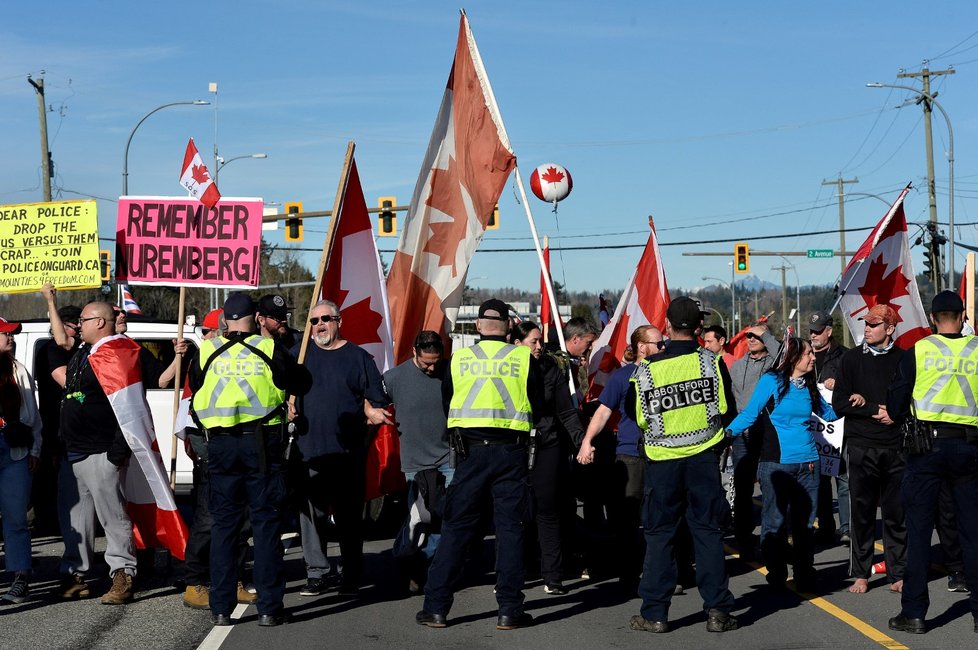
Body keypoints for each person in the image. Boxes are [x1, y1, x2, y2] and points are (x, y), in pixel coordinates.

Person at [417, 299, 541, 630]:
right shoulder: (523, 358)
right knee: (510, 531)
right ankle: (509, 610)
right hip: (511, 453)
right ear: (508, 326)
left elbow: (448, 402)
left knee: (456, 529)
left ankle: (436, 608)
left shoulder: (459, 360)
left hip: (470, 453)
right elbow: (538, 404)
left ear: (477, 326)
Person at [189, 292, 310, 627]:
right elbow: (302, 382)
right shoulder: (270, 350)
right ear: (256, 318)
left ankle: (221, 608)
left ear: (225, 319)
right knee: (266, 526)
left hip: (221, 447)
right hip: (262, 448)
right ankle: (270, 608)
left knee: (225, 528)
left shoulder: (207, 351)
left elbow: (195, 389)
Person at [627, 297, 738, 634]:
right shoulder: (711, 363)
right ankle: (717, 611)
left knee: (660, 537)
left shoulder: (646, 369)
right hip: (703, 459)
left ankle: (655, 613)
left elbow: (638, 417)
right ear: (699, 328)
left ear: (667, 325)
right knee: (707, 533)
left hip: (663, 463)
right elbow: (727, 410)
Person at [886, 291, 978, 634]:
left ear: (933, 317)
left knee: (920, 533)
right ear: (962, 314)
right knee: (972, 534)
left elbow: (895, 404)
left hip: (925, 450)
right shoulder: (977, 350)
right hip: (970, 450)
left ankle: (914, 613)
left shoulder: (919, 351)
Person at [290, 299, 391, 597]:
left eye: (325, 319)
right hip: (309, 451)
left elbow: (377, 398)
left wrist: (370, 408)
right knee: (311, 518)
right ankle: (317, 572)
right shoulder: (300, 356)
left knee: (348, 519)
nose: (319, 325)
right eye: (313, 321)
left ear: (339, 321)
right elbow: (280, 390)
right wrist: (288, 402)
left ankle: (351, 574)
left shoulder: (358, 358)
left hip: (348, 453)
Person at [727, 337, 839, 594]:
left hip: (809, 465)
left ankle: (804, 573)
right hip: (776, 465)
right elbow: (750, 413)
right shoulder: (772, 381)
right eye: (809, 354)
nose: (813, 357)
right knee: (774, 522)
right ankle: (776, 572)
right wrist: (727, 434)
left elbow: (830, 414)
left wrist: (852, 398)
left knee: (805, 525)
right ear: (793, 357)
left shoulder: (809, 385)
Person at [57, 301, 139, 605]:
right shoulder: (84, 353)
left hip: (102, 451)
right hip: (75, 451)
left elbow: (126, 404)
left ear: (100, 323)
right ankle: (75, 574)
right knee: (77, 521)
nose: (79, 325)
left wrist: (117, 452)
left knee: (113, 518)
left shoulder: (113, 354)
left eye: (84, 320)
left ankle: (122, 575)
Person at [577, 324, 664, 594]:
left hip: (663, 453)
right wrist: (587, 441)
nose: (664, 348)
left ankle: (658, 574)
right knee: (627, 520)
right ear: (642, 347)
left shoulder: (667, 374)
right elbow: (603, 412)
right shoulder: (622, 376)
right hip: (630, 455)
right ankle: (628, 574)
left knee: (659, 517)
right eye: (658, 344)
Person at [181, 308, 256, 610]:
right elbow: (193, 409)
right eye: (219, 331)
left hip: (238, 450)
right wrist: (203, 451)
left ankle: (233, 578)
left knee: (239, 521)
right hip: (213, 452)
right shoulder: (205, 359)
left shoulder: (242, 358)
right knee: (209, 520)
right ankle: (195, 582)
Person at [831, 304, 906, 594]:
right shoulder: (851, 359)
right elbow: (839, 403)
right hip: (862, 445)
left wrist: (895, 414)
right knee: (861, 513)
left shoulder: (903, 359)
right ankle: (861, 573)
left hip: (895, 446)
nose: (867, 329)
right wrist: (873, 408)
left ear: (889, 329)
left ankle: (897, 572)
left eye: (874, 325)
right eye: (866, 323)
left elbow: (912, 399)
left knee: (895, 513)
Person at [513, 320, 585, 596]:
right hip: (516, 445)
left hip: (547, 444)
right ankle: (513, 572)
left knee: (548, 509)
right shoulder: (507, 371)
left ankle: (553, 576)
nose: (539, 347)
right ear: (516, 344)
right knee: (516, 512)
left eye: (540, 341)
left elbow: (565, 411)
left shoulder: (551, 368)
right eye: (534, 341)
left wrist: (581, 441)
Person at [385, 330, 452, 593]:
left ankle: (428, 569)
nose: (432, 367)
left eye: (436, 361)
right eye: (426, 362)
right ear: (414, 352)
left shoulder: (449, 372)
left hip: (447, 459)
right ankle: (406, 557)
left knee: (444, 519)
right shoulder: (394, 378)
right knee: (417, 520)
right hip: (414, 464)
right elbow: (374, 401)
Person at [727, 322, 780, 558]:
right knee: (743, 488)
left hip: (769, 433)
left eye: (756, 336)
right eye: (748, 335)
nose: (751, 338)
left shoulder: (775, 364)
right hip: (743, 436)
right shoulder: (737, 367)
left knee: (772, 486)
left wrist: (766, 334)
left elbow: (784, 353)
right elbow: (731, 401)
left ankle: (773, 537)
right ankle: (743, 537)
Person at [0, 317, 42, 604]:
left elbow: (33, 414)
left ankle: (20, 577)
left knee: (16, 518)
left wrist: (35, 449)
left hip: (15, 451)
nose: (10, 338)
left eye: (12, 334)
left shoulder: (19, 371)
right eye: (5, 334)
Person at [34, 284, 82, 536]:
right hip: (55, 428)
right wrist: (51, 302)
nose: (81, 331)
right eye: (78, 326)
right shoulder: (51, 349)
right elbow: (66, 379)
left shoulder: (80, 350)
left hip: (71, 428)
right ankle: (51, 523)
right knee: (56, 483)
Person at [809, 310, 850, 547]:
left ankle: (846, 528)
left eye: (817, 331)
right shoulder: (805, 355)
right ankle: (825, 526)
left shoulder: (844, 356)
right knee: (820, 479)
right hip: (813, 429)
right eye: (811, 331)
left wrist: (839, 383)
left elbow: (854, 385)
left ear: (829, 331)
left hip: (838, 429)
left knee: (843, 478)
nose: (813, 335)